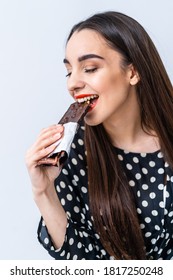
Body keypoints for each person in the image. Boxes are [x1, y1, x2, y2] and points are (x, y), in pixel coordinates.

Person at [25, 11, 173, 260]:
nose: (72, 83)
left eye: (90, 68)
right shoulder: (69, 152)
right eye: (69, 71)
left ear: (133, 73)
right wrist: (43, 191)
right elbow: (80, 263)